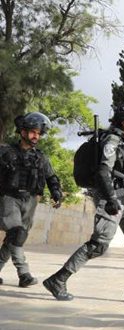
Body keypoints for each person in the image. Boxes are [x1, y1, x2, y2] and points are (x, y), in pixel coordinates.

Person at [43, 98, 124, 303]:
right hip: (112, 199)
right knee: (99, 244)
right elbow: (103, 172)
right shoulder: (112, 141)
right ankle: (58, 279)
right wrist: (111, 199)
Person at [0, 112, 63, 287]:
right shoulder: (6, 152)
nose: (37, 136)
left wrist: (56, 193)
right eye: (33, 132)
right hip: (9, 198)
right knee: (16, 233)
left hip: (30, 201)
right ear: (23, 132)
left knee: (15, 239)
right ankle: (24, 274)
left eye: (39, 133)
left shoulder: (41, 157)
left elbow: (52, 178)